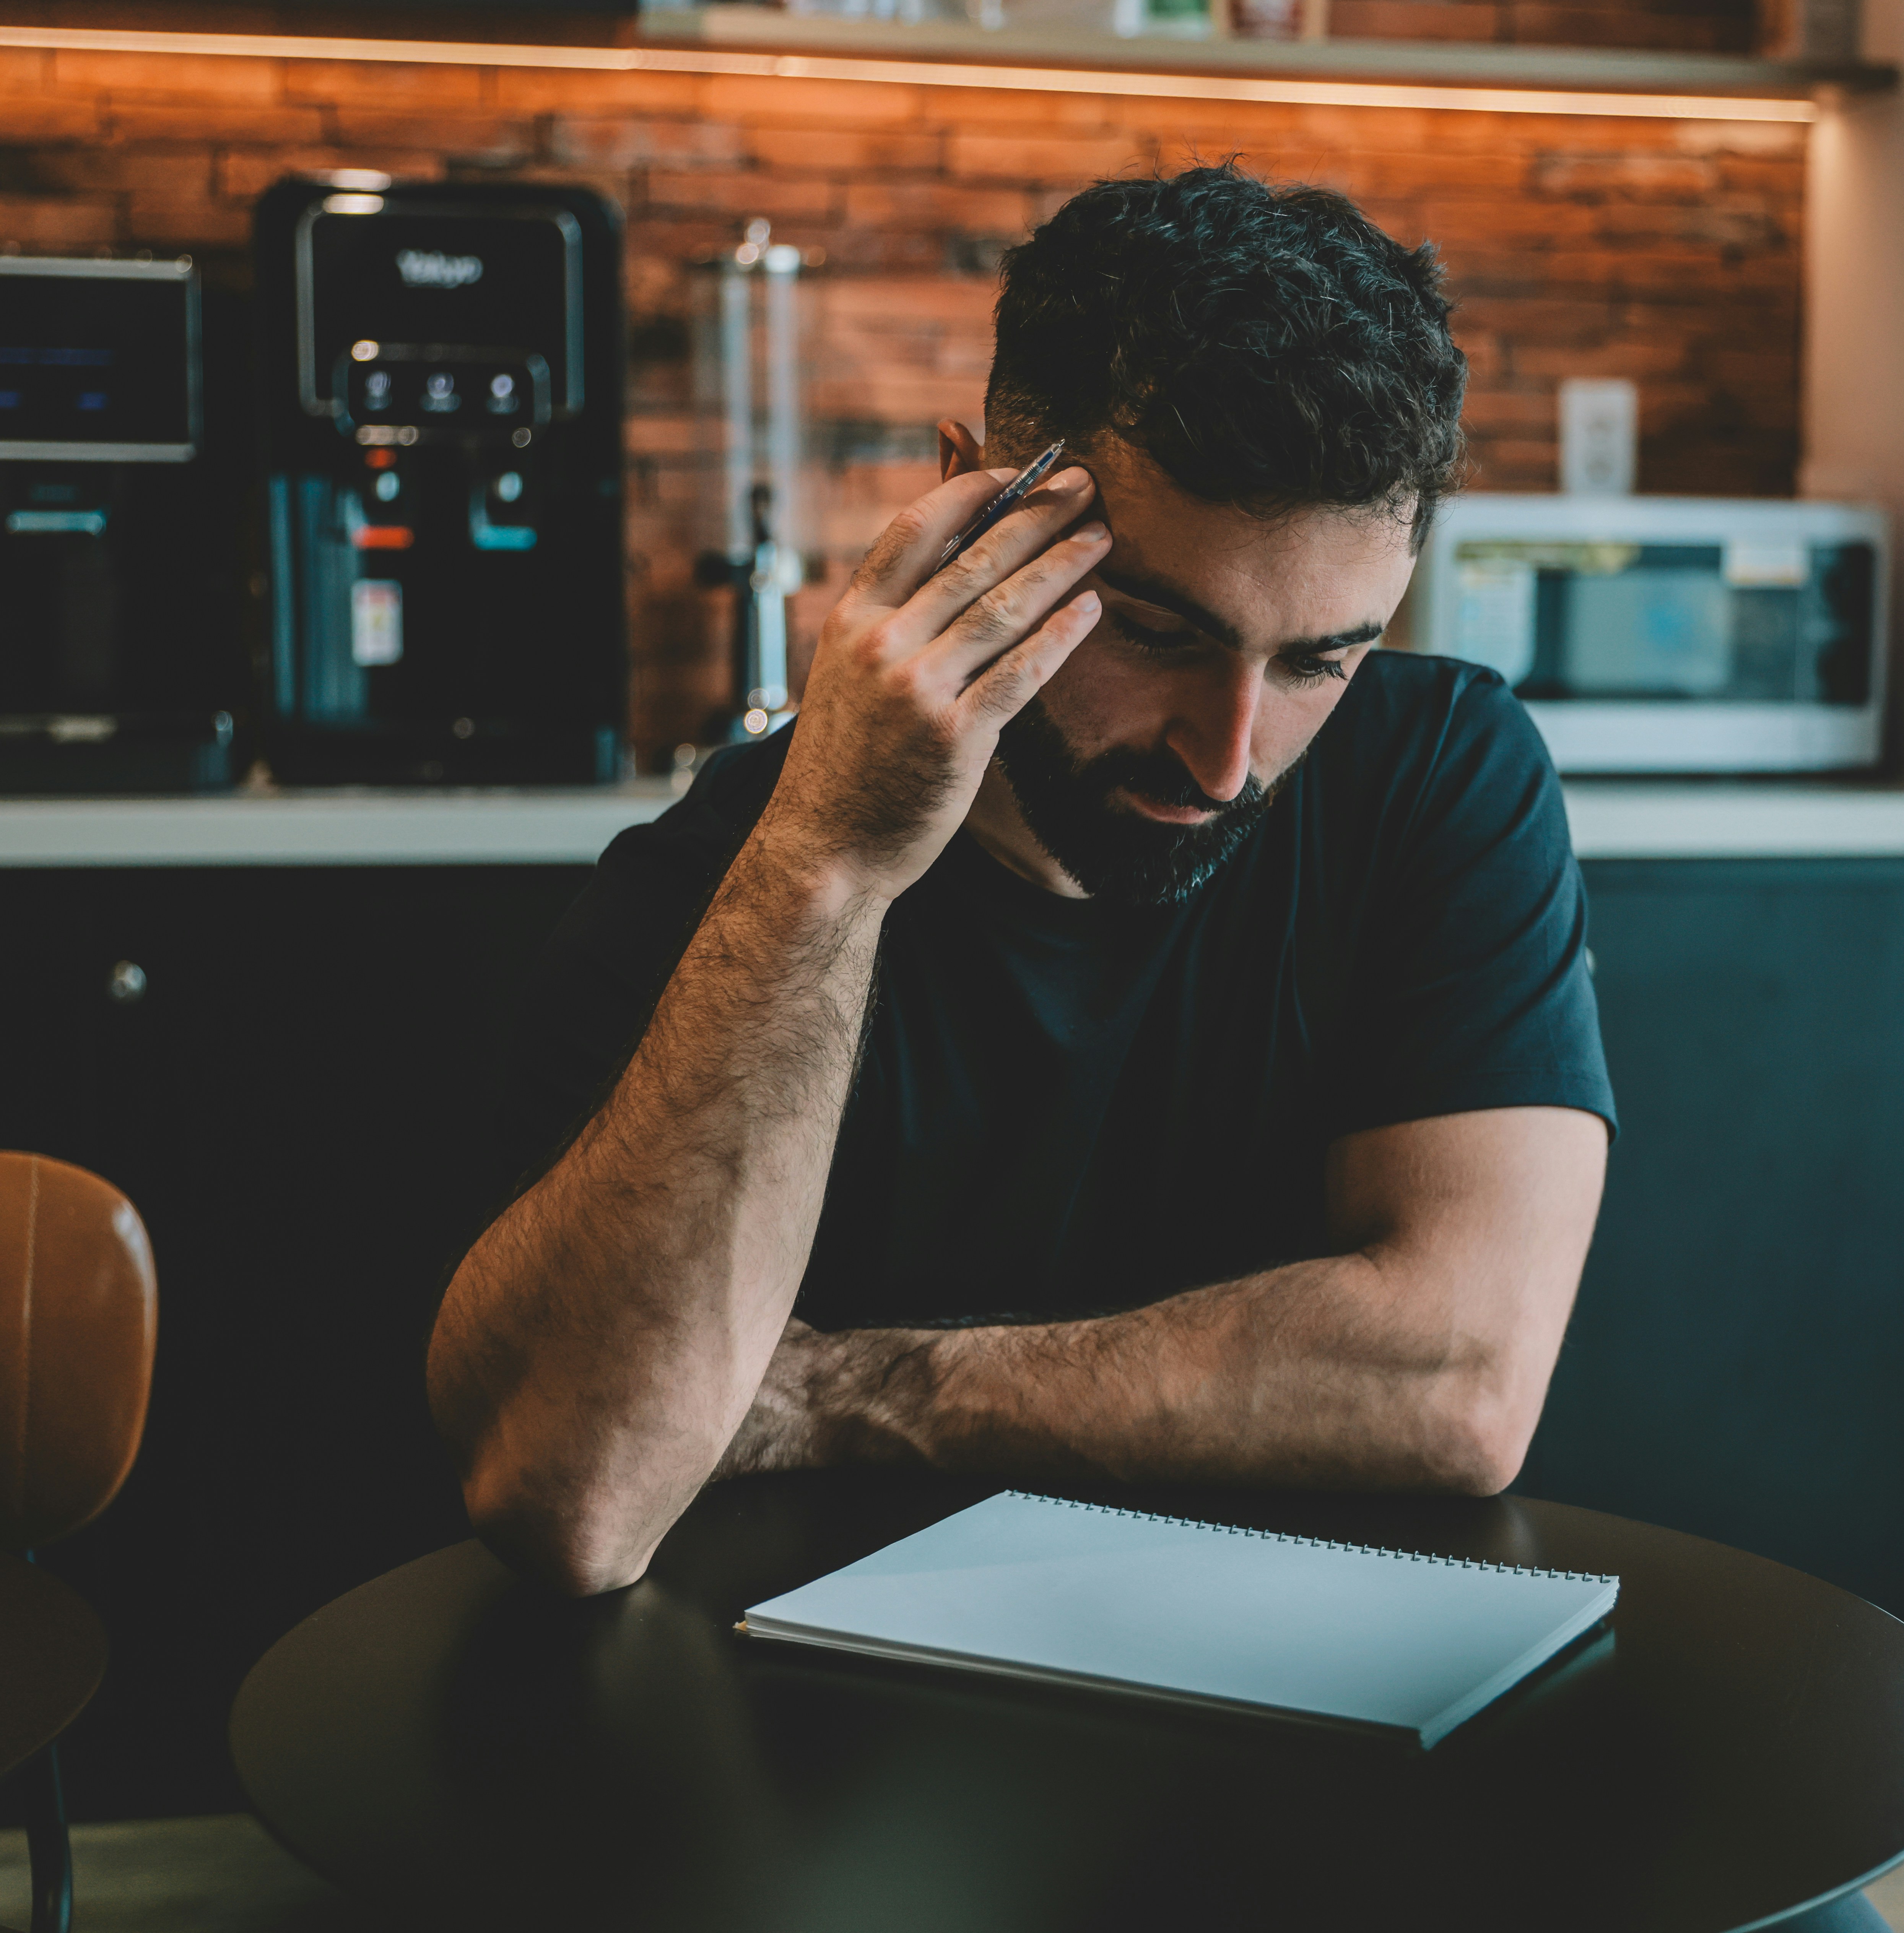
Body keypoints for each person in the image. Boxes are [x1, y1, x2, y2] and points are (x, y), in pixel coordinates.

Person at [426, 165, 1616, 1601]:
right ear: (976, 514)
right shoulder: (740, 866)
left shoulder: (1441, 770)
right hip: (803, 1745)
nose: (1229, 760)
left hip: (1285, 1701)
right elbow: (581, 1495)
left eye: (1319, 661)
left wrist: (835, 1391)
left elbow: (1461, 1384)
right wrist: (833, 867)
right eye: (1156, 628)